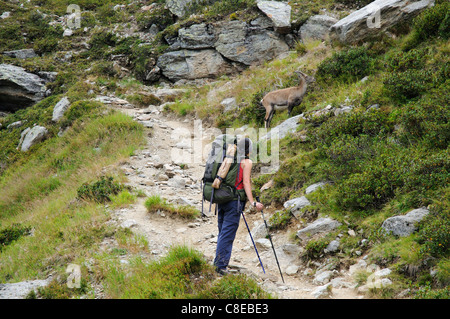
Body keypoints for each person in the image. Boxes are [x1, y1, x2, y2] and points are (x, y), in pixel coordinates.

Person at [213, 137, 264, 275]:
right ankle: (220, 266)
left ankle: (217, 263)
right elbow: (246, 183)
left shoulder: (229, 159)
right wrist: (252, 201)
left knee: (222, 232)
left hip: (222, 199)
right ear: (249, 149)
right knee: (227, 234)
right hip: (234, 202)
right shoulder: (246, 162)